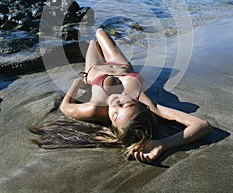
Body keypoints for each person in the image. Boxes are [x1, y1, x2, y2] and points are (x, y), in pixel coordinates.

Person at [32, 28, 212, 163]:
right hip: (122, 65)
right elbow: (202, 125)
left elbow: (65, 107)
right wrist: (162, 143)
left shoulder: (95, 109)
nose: (114, 104)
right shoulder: (148, 104)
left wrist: (76, 84)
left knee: (93, 42)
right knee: (100, 31)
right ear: (139, 106)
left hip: (95, 70)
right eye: (124, 105)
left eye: (115, 113)